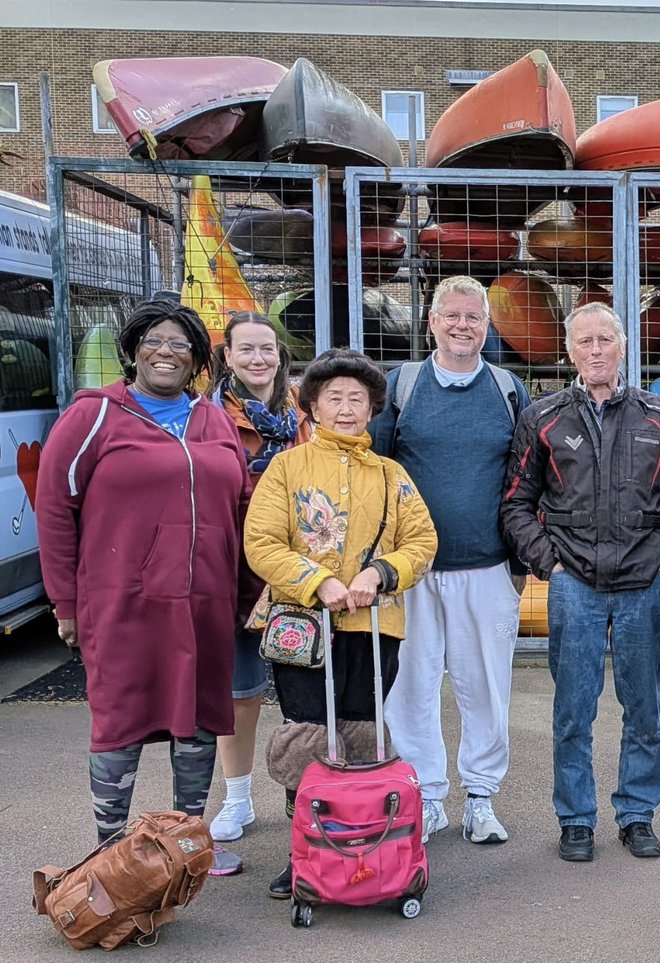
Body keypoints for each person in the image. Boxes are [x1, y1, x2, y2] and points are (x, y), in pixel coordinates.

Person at [36, 299, 249, 857]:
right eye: (154, 340)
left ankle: (188, 844)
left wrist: (248, 593)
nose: (166, 352)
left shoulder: (214, 419)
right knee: (120, 719)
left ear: (198, 358)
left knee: (200, 718)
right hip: (123, 604)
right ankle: (111, 853)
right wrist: (64, 603)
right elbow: (56, 509)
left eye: (180, 344)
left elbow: (243, 508)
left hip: (206, 603)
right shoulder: (94, 416)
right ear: (132, 351)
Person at [500, 302, 660, 862]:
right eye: (584, 341)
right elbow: (516, 502)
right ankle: (576, 818)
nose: (595, 350)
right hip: (574, 585)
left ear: (623, 347)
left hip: (645, 583)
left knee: (643, 707)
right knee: (573, 708)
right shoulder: (543, 418)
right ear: (569, 351)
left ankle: (637, 814)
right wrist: (549, 561)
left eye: (605, 340)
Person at [243, 348, 437, 898]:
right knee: (307, 734)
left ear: (372, 409)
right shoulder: (287, 467)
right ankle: (306, 847)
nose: (347, 408)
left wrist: (380, 573)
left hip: (375, 625)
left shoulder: (392, 475)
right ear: (313, 407)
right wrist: (317, 581)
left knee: (361, 727)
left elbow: (422, 542)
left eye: (358, 399)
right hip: (303, 627)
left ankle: (366, 841)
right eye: (335, 398)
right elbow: (261, 542)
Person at [370, 276, 530, 846]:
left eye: (474, 318)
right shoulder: (402, 386)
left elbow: (526, 477)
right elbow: (375, 469)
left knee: (486, 687)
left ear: (487, 326)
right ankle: (428, 796)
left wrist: (521, 563)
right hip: (411, 573)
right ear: (432, 321)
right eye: (452, 316)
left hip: (486, 569)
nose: (464, 326)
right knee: (409, 688)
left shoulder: (509, 390)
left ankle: (481, 798)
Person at [207, 312, 312, 856]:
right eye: (245, 349)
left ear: (279, 352)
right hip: (236, 573)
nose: (257, 358)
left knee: (303, 694)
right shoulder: (210, 418)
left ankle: (304, 793)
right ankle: (238, 796)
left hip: (295, 574)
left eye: (265, 348)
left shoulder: (302, 414)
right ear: (227, 356)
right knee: (241, 693)